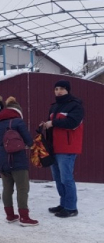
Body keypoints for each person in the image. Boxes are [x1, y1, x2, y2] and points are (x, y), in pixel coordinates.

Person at [42, 80, 84, 218]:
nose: (58, 91)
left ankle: (71, 208)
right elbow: (52, 126)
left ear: (68, 90)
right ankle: (63, 204)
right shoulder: (54, 106)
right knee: (58, 179)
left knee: (66, 178)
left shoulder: (75, 105)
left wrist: (52, 123)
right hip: (53, 148)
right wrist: (45, 126)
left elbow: (73, 123)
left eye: (61, 89)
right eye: (56, 89)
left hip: (67, 147)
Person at [0, 97, 37, 226]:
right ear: (18, 111)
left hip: (2, 160)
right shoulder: (18, 122)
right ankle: (24, 217)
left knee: (7, 188)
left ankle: (10, 216)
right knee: (22, 188)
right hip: (18, 160)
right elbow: (29, 141)